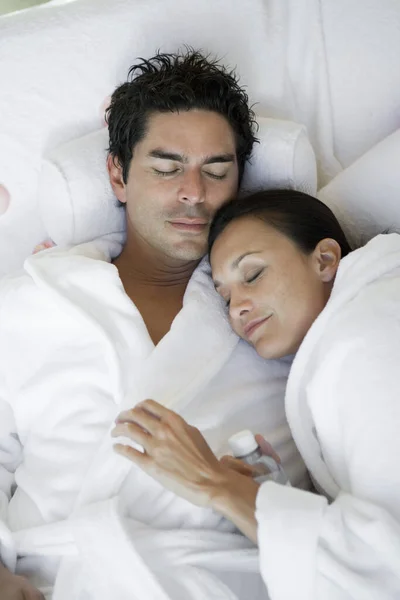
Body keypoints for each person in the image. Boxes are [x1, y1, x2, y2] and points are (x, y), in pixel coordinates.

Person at [0, 53, 308, 599]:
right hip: (49, 579)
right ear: (118, 175)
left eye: (217, 171)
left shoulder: (280, 309)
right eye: (166, 168)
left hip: (219, 581)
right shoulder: (30, 303)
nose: (194, 192)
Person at [114, 189, 400, 600]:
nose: (237, 308)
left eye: (252, 275)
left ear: (324, 260)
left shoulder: (365, 340)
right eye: (225, 295)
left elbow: (386, 567)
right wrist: (271, 496)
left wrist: (216, 484)